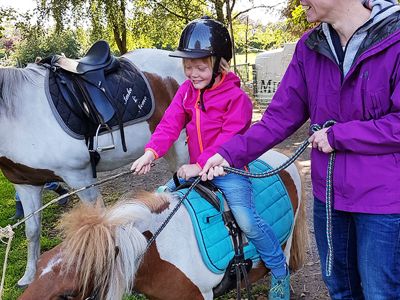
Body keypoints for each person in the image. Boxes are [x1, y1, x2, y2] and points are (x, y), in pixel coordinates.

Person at [200, 0, 400, 298]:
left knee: (379, 292)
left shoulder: (395, 39)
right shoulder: (310, 47)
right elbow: (278, 118)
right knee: (340, 290)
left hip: (382, 201)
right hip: (329, 196)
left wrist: (341, 136)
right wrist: (228, 154)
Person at [131, 16, 290, 299]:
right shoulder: (186, 92)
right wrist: (151, 152)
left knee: (247, 219)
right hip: (196, 169)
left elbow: (229, 140)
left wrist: (198, 165)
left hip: (230, 171)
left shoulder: (237, 99)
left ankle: (279, 270)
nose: (192, 73)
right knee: (160, 201)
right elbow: (170, 123)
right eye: (188, 66)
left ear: (219, 64)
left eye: (200, 67)